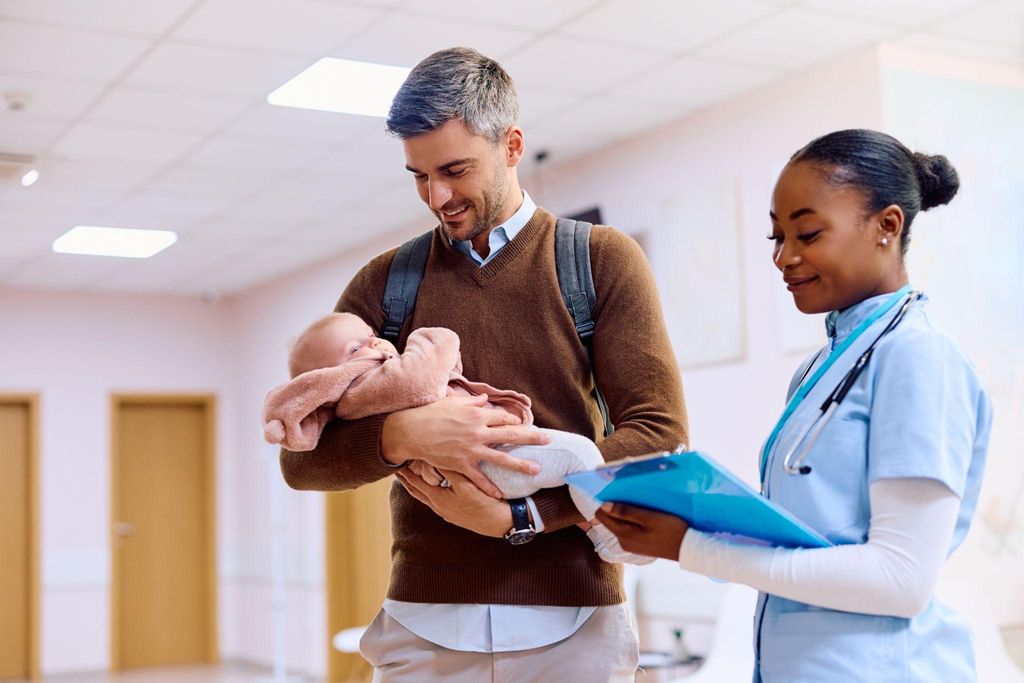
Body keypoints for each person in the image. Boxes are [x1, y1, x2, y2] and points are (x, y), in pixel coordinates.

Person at [278, 47, 687, 682]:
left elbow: (660, 436)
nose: (437, 196)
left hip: (575, 622)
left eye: (455, 169)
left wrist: (523, 517)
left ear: (512, 145)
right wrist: (405, 433)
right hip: (423, 624)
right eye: (418, 175)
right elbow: (301, 456)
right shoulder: (387, 283)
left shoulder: (598, 261)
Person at [597, 129, 992, 682]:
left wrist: (693, 548)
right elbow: (803, 537)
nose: (785, 256)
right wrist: (687, 520)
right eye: (776, 237)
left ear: (888, 226)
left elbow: (901, 579)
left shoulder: (918, 357)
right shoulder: (822, 366)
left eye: (807, 233)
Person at [263, 312, 652, 564]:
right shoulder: (370, 383)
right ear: (328, 378)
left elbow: (656, 427)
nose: (377, 344)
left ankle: (604, 532)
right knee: (578, 455)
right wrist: (427, 345)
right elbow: (300, 467)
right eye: (355, 348)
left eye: (371, 335)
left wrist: (522, 517)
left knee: (570, 469)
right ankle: (616, 536)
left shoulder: (593, 258)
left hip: (572, 595)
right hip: (488, 466)